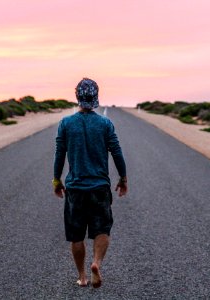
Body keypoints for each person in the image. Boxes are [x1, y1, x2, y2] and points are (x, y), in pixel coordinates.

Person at [53, 78, 127, 288]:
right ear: (96, 97)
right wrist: (123, 178)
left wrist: (56, 180)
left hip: (75, 188)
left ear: (77, 96)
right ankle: (96, 263)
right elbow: (116, 151)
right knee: (102, 229)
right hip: (99, 187)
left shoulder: (66, 123)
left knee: (76, 235)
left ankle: (83, 277)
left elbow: (60, 154)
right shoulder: (105, 123)